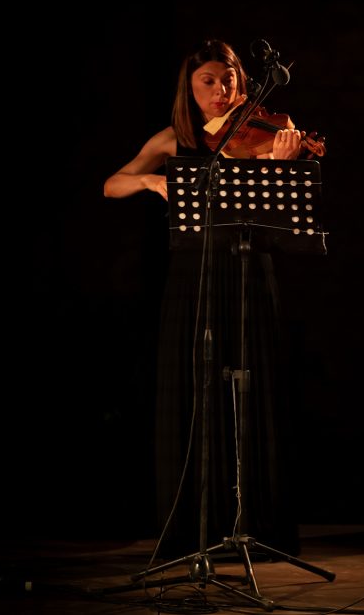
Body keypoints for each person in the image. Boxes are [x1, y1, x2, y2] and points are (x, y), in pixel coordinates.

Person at [104, 38, 302, 558]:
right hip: (193, 274)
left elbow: (280, 213)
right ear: (189, 88)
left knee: (252, 388)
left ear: (241, 82)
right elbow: (111, 185)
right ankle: (195, 524)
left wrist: (283, 164)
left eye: (228, 80)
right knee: (196, 387)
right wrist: (151, 181)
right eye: (207, 82)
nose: (219, 91)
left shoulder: (269, 132)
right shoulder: (176, 138)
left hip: (250, 269)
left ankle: (256, 522)